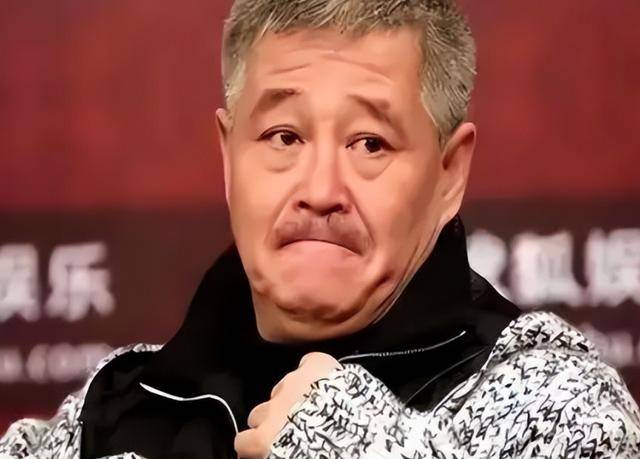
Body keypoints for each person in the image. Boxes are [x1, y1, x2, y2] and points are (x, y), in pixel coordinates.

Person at [2, 0, 640, 458]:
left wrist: (357, 445)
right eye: (284, 137)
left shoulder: (560, 408)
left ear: (450, 174)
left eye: (370, 143)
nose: (321, 191)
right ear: (228, 157)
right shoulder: (108, 413)